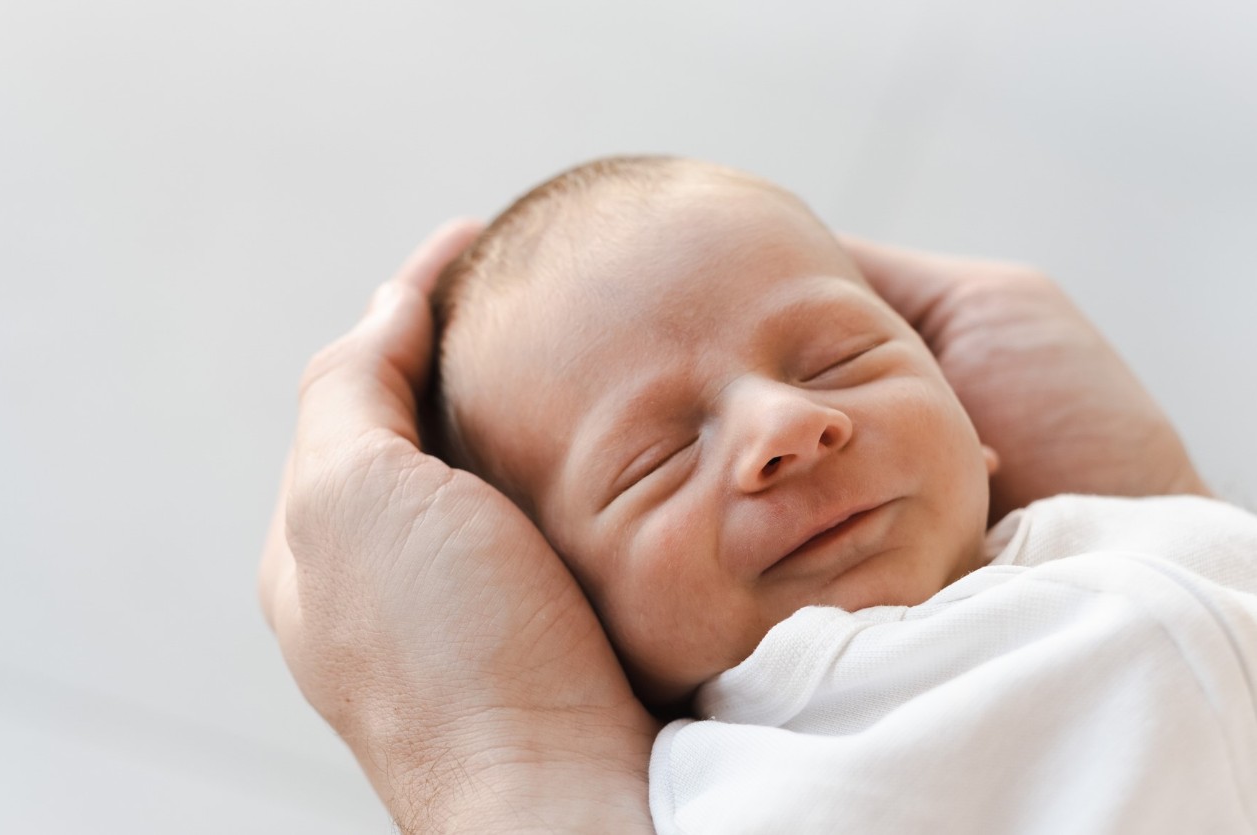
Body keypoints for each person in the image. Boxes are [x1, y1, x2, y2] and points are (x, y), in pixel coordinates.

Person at [259, 164, 1220, 831]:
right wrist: (507, 768)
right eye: (656, 459)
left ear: (972, 421)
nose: (784, 426)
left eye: (840, 360)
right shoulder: (719, 792)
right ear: (574, 616)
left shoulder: (1148, 532)